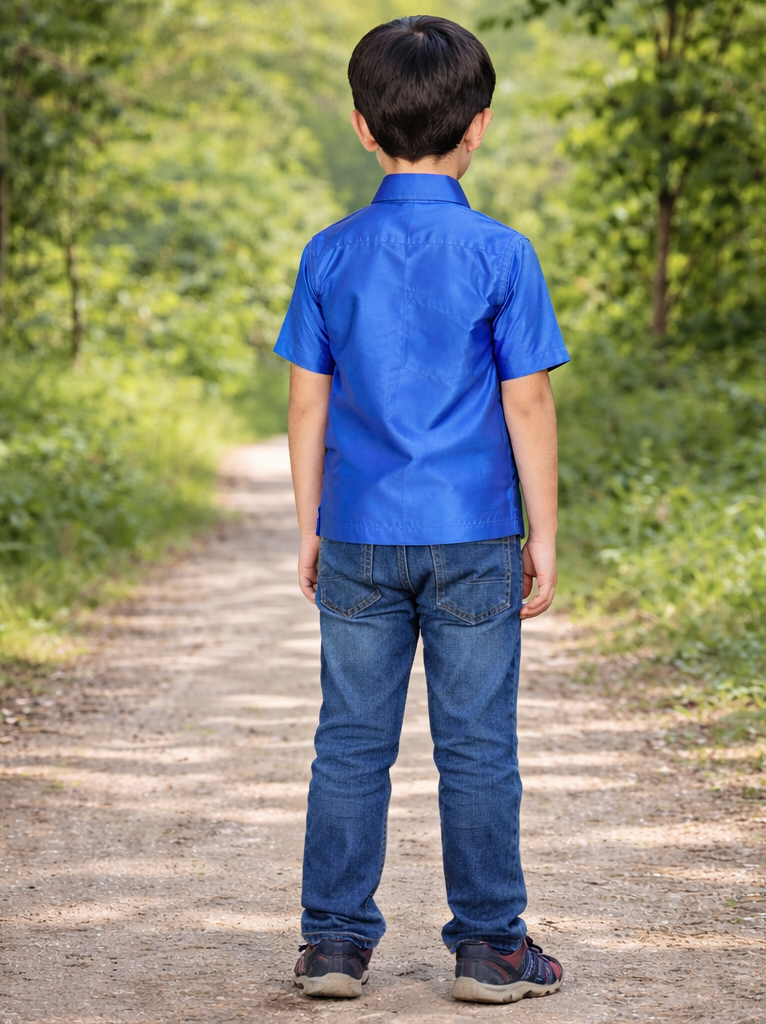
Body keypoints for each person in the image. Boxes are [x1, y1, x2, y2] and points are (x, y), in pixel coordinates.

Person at [274, 14, 569, 1006]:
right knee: (478, 745)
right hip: (474, 531)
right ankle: (490, 948)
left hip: (359, 531)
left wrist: (311, 524)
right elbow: (525, 398)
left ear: (362, 127)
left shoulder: (330, 251)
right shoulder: (502, 252)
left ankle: (332, 946)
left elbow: (308, 398)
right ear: (478, 125)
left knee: (349, 743)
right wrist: (545, 535)